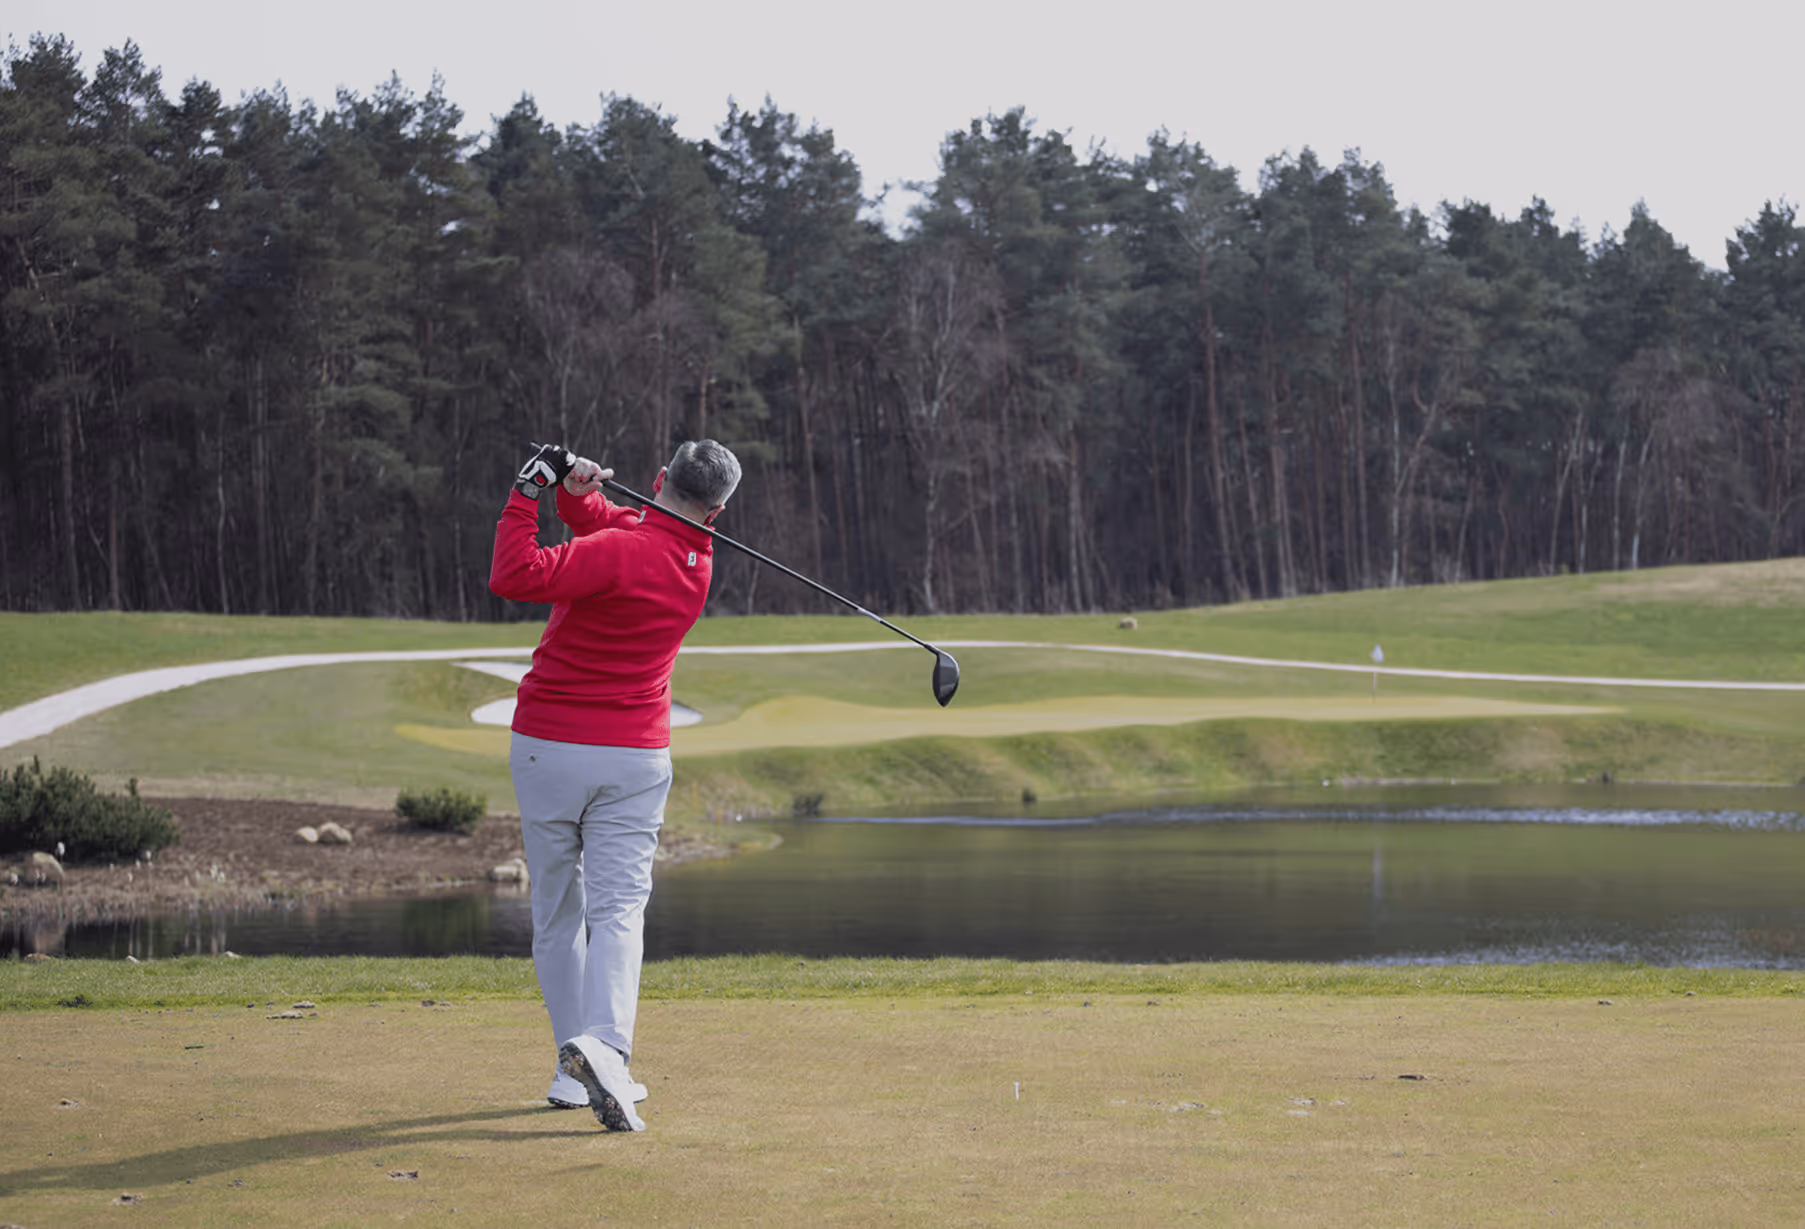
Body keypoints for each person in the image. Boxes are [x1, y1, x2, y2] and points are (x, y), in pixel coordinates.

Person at [489, 438, 741, 1132]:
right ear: (715, 510)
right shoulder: (695, 559)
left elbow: (514, 572)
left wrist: (527, 490)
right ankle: (607, 1053)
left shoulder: (623, 549)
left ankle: (576, 1067)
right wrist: (574, 493)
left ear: (658, 478)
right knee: (619, 910)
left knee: (558, 908)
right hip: (633, 757)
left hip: (548, 748)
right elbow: (610, 527)